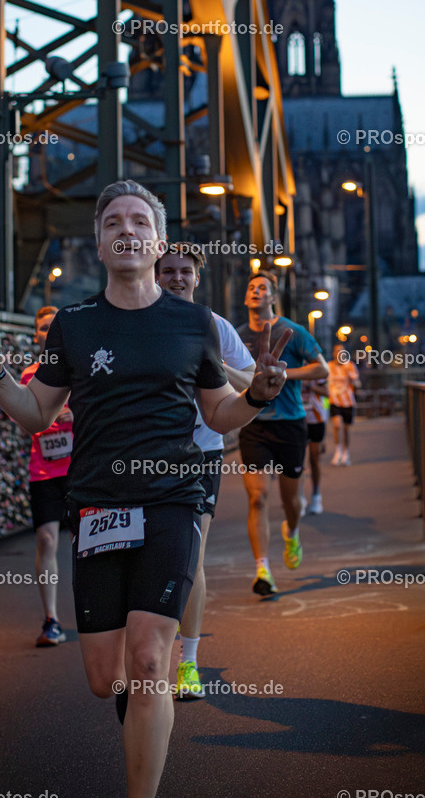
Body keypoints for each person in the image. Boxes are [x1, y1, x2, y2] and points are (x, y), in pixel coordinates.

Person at [0, 180, 290, 798]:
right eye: (112, 221)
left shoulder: (193, 321)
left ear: (158, 240)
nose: (126, 229)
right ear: (98, 241)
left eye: (139, 220)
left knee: (148, 660)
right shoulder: (74, 324)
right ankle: (145, 711)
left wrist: (257, 396)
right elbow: (36, 411)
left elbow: (220, 412)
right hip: (98, 508)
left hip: (174, 497)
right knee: (104, 677)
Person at [156, 242, 255, 700]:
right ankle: (149, 650)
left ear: (198, 277)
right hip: (149, 454)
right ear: (156, 275)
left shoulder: (215, 326)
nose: (177, 278)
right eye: (168, 270)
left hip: (201, 452)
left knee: (191, 555)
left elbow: (253, 385)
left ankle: (188, 662)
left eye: (185, 271)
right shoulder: (140, 321)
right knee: (151, 557)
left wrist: (214, 365)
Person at [237, 271, 328, 595]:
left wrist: (284, 374)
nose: (256, 292)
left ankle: (292, 531)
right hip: (254, 424)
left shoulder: (293, 331)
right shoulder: (237, 335)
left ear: (273, 297)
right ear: (246, 297)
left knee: (293, 503)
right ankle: (263, 570)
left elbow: (322, 368)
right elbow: (227, 375)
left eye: (263, 288)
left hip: (290, 422)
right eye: (252, 288)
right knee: (258, 497)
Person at [20, 306, 74, 646]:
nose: (48, 331)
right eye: (43, 327)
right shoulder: (30, 374)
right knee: (47, 541)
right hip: (44, 471)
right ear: (37, 334)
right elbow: (28, 417)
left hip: (80, 470)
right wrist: (58, 416)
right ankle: (51, 619)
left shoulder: (82, 369)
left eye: (54, 326)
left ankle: (97, 613)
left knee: (86, 543)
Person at [300, 376, 329, 514]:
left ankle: (316, 496)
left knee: (314, 458)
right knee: (297, 459)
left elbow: (327, 392)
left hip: (315, 418)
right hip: (296, 418)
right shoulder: (290, 364)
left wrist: (309, 385)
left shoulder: (315, 365)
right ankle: (298, 496)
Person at [328, 344, 360, 466]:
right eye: (337, 351)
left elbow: (355, 380)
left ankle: (346, 453)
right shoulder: (329, 366)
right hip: (334, 400)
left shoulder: (350, 365)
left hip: (348, 401)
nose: (339, 353)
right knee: (337, 425)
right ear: (333, 353)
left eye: (342, 351)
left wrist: (355, 381)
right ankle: (338, 451)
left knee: (346, 429)